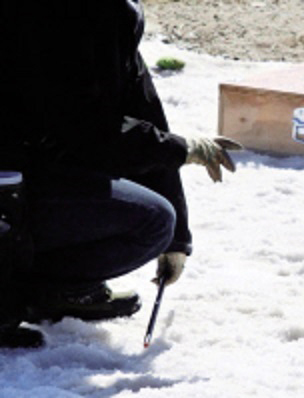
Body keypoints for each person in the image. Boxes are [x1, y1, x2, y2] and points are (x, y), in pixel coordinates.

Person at [0, 1, 242, 348]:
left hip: (31, 170)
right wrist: (179, 149)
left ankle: (54, 291)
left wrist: (177, 241)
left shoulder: (114, 12)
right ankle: (18, 294)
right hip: (11, 178)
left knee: (160, 222)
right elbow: (89, 133)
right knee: (151, 220)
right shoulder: (53, 16)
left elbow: (141, 107)